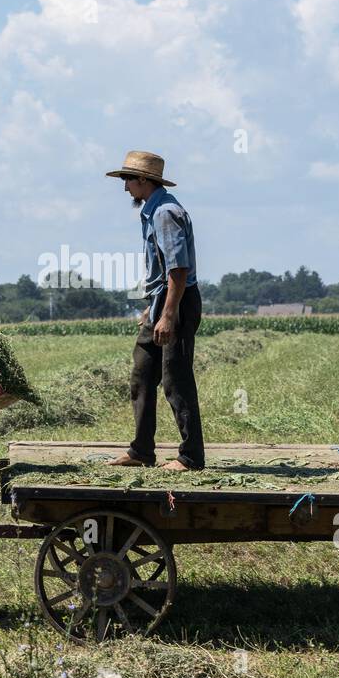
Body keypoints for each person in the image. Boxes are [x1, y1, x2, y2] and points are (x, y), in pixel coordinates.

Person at [103, 151, 205, 471]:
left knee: (176, 380)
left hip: (179, 303)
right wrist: (153, 308)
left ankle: (191, 457)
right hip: (163, 302)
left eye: (128, 180)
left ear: (145, 180)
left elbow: (178, 270)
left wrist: (168, 315)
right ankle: (141, 451)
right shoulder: (153, 210)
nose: (125, 187)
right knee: (142, 375)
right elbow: (163, 272)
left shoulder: (165, 213)